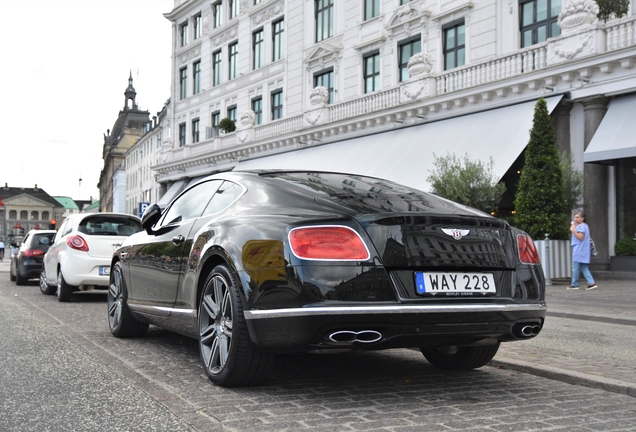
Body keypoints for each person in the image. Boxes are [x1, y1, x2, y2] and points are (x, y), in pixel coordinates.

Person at [567, 211, 597, 290]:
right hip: (584, 250)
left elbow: (580, 237)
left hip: (579, 250)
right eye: (575, 217)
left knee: (575, 267)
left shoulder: (581, 227)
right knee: (584, 267)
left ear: (582, 218)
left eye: (578, 217)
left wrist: (573, 230)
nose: (576, 219)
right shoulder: (585, 226)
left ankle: (575, 284)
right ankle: (591, 282)